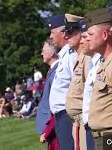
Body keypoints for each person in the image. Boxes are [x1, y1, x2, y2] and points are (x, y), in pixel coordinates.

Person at [84, 6, 112, 150]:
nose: (86, 37)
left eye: (90, 33)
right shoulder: (103, 62)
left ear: (105, 35)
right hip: (101, 136)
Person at [47, 14, 78, 150]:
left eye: (53, 32)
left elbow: (77, 86)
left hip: (67, 116)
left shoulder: (71, 56)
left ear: (63, 33)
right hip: (60, 116)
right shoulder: (64, 56)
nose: (51, 36)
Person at [64, 14, 91, 150]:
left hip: (84, 122)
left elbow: (91, 94)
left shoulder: (88, 59)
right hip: (77, 123)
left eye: (69, 32)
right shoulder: (78, 58)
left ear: (80, 32)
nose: (65, 36)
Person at [35, 38, 60, 149]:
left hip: (54, 128)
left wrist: (48, 130)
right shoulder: (52, 70)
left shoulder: (57, 71)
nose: (41, 53)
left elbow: (56, 103)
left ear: (52, 52)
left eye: (43, 51)